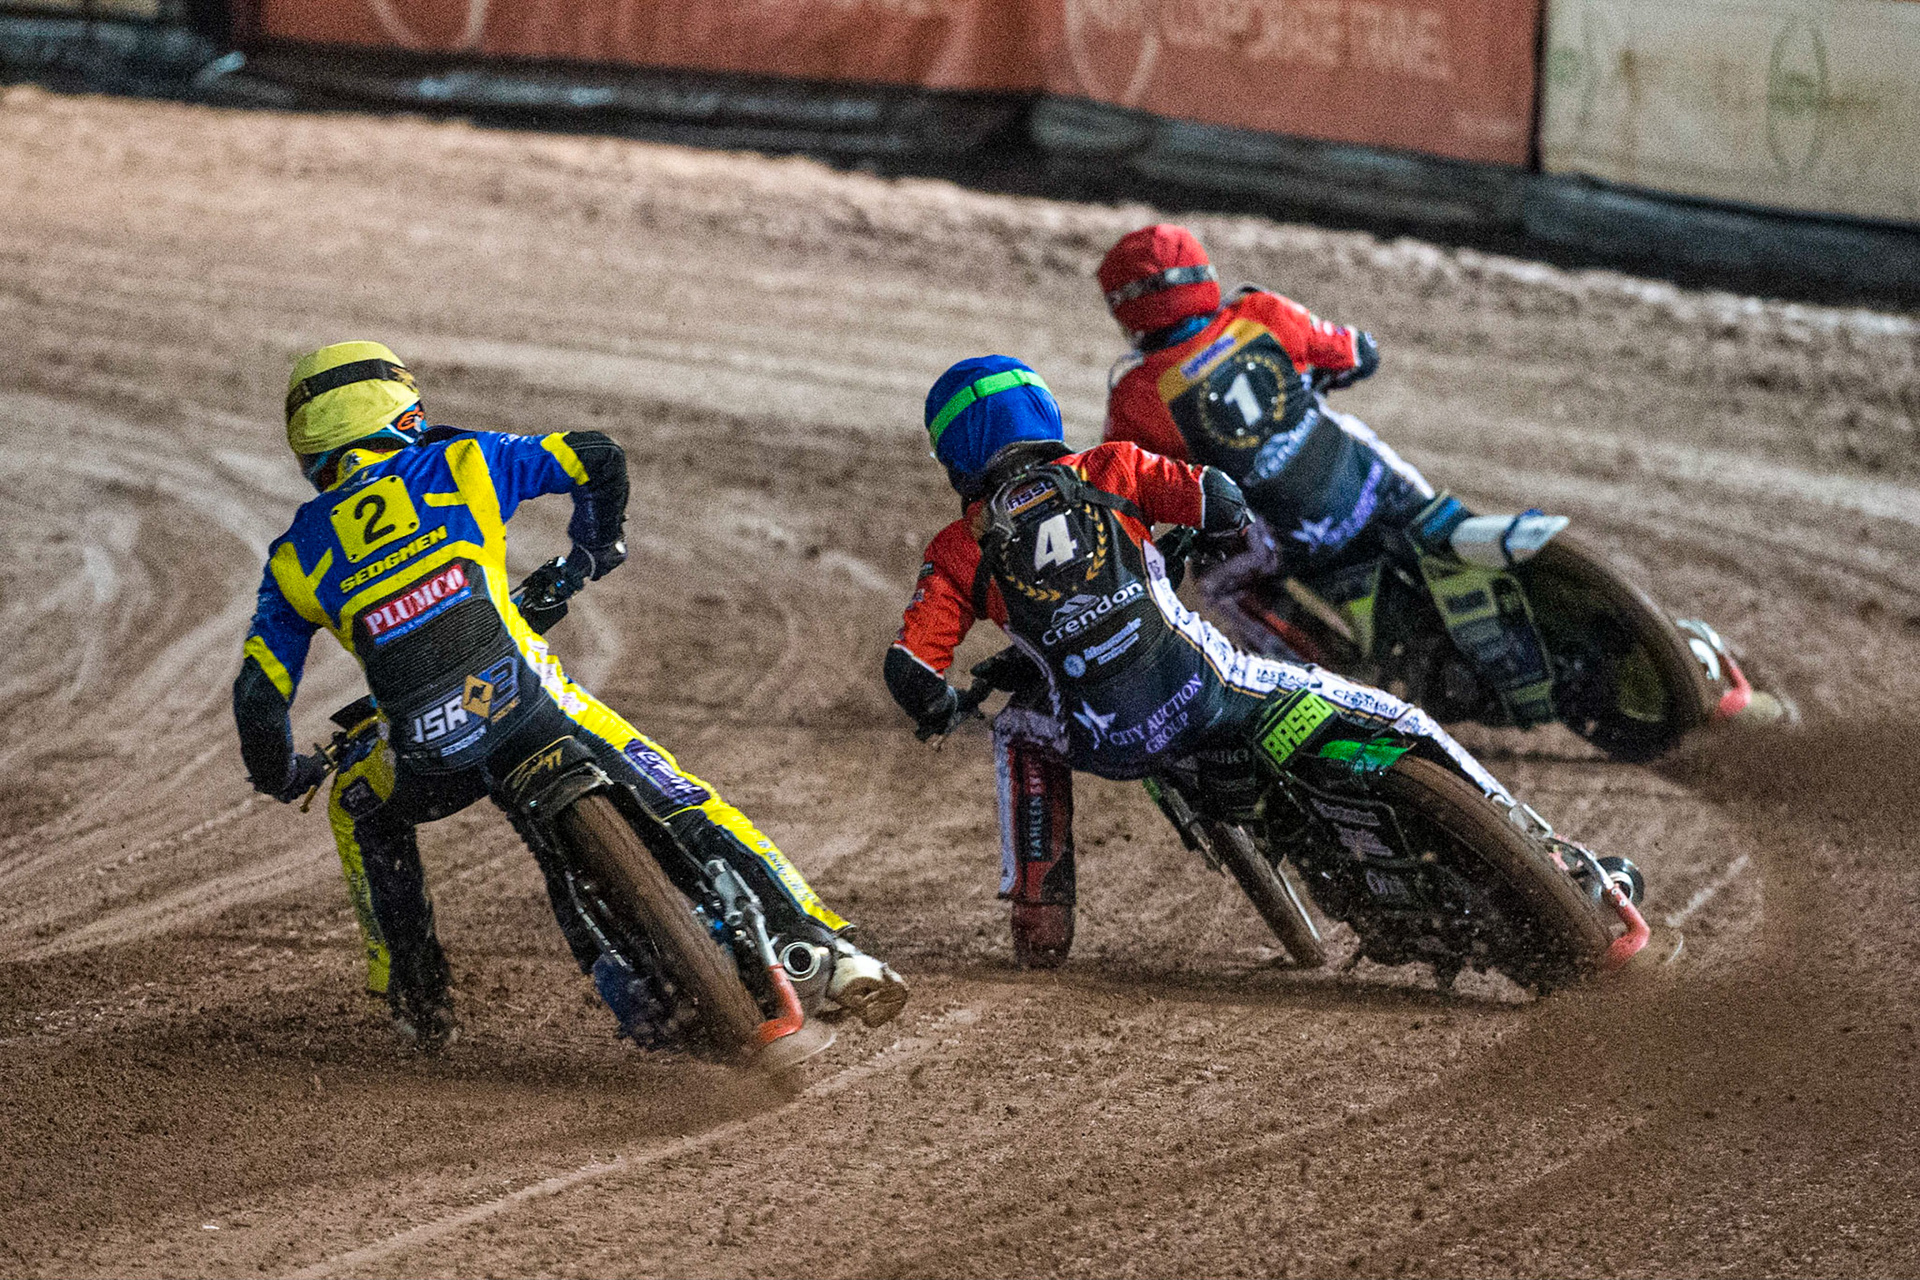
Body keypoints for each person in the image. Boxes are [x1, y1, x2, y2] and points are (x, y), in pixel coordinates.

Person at [234, 341, 905, 1048]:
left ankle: (416, 998)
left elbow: (257, 695)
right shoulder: (461, 461)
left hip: (431, 755)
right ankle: (827, 952)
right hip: (528, 704)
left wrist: (283, 774)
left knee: (358, 806)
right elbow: (597, 455)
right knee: (680, 798)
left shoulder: (294, 554)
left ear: (311, 453)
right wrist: (596, 546)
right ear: (406, 413)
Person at [883, 354, 1529, 967]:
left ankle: (1042, 916)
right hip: (1209, 690)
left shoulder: (957, 549)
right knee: (1399, 715)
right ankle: (1536, 845)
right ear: (1039, 411)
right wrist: (1206, 527)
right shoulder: (1112, 468)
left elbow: (910, 670)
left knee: (1018, 731)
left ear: (954, 453)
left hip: (1101, 740)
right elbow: (1220, 501)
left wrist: (940, 708)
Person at [1096, 224, 1438, 656]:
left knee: (1216, 580)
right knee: (1369, 451)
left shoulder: (1137, 393)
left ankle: (1324, 673)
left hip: (1296, 535)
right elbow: (1361, 354)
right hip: (1372, 483)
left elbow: (1119, 490)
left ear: (1128, 310)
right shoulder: (1261, 312)